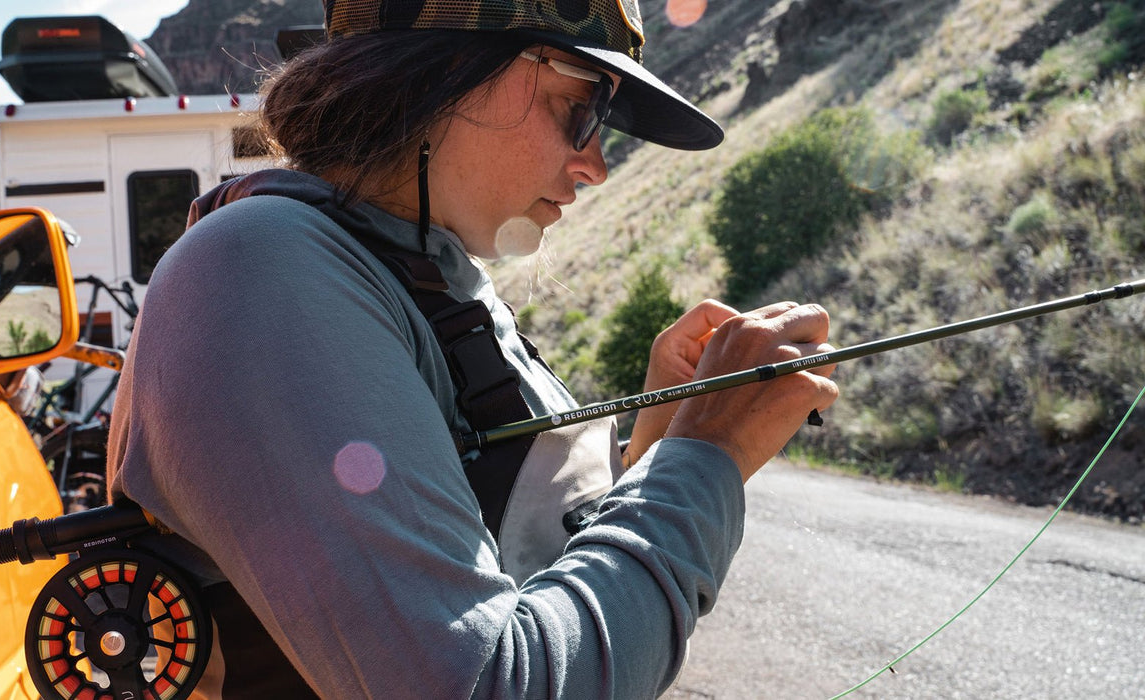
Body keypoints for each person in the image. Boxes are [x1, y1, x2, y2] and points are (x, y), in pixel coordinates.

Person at [107, 0, 839, 697]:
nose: (596, 164)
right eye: (581, 106)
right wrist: (705, 456)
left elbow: (520, 552)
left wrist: (656, 446)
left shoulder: (422, 270)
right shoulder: (262, 269)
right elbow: (488, 681)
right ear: (444, 69)